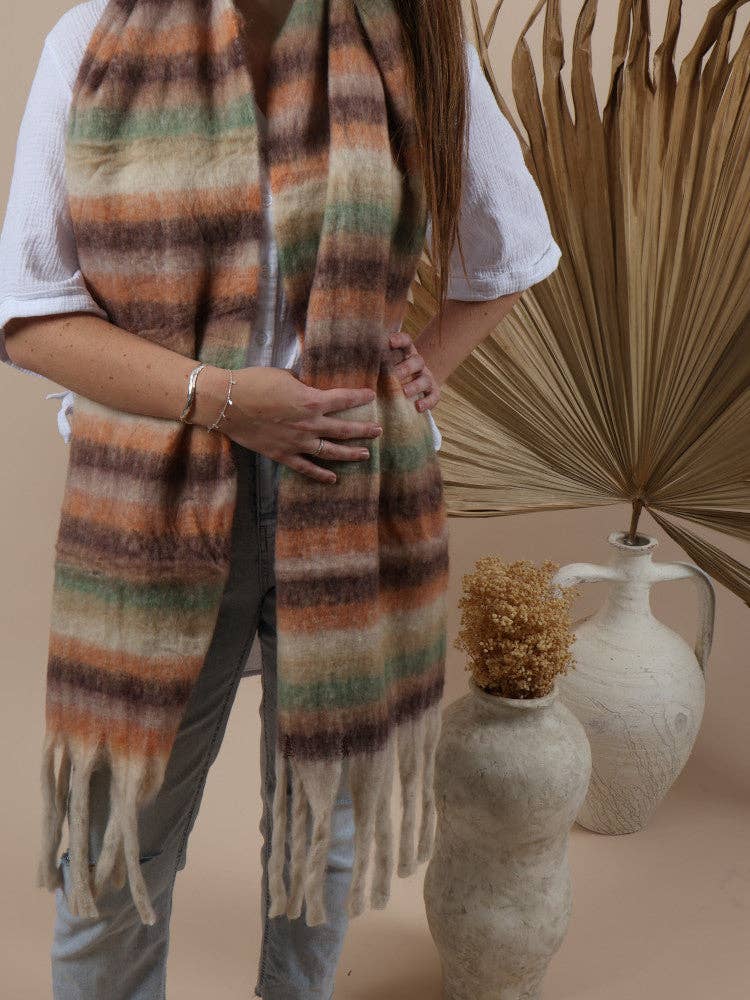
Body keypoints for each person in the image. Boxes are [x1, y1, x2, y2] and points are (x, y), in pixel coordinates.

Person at [0, 1, 562, 997]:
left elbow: (511, 247)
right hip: (156, 506)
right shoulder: (89, 43)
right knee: (118, 842)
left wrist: (421, 368)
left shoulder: (412, 40)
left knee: (322, 834)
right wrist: (224, 401)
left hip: (352, 493)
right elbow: (31, 313)